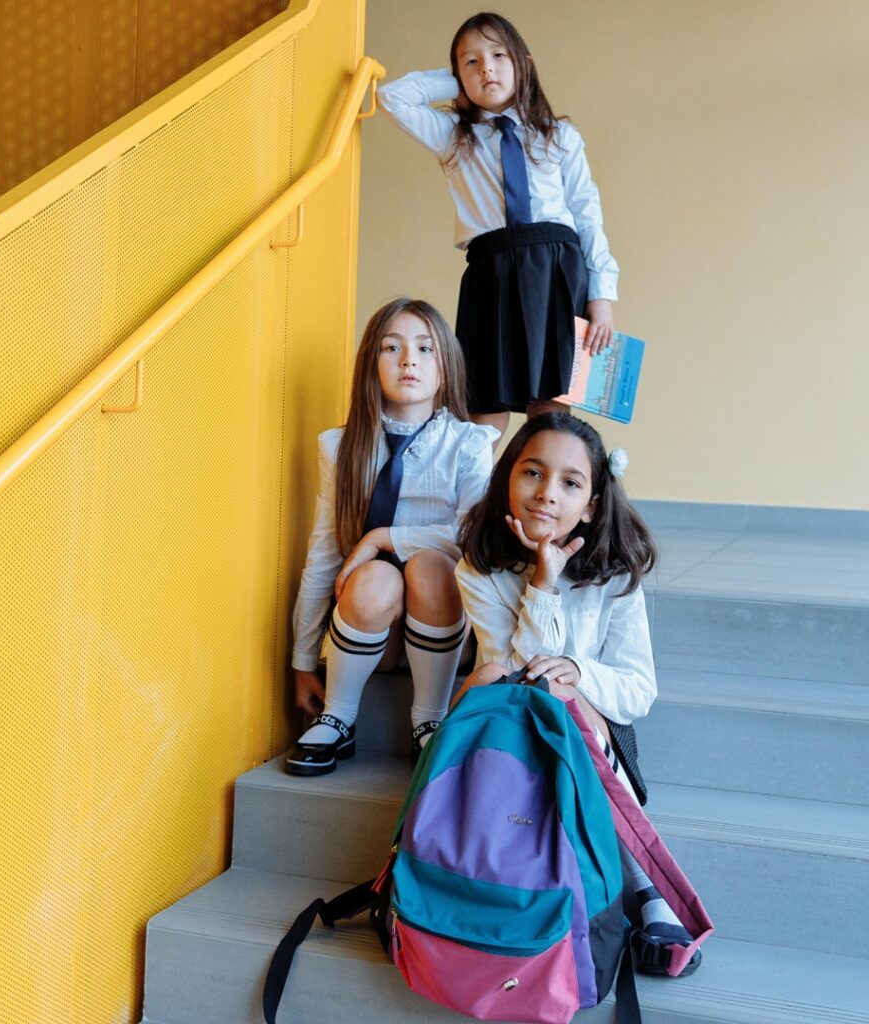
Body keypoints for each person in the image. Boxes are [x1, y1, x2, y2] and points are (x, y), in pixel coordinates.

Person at [454, 410, 701, 974]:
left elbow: (639, 690)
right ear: (506, 480)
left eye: (570, 483)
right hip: (508, 732)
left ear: (591, 505)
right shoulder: (481, 568)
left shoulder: (615, 573)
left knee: (559, 687)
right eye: (532, 474)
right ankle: (641, 892)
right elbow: (512, 669)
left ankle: (642, 886)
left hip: (593, 733)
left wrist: (577, 671)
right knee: (514, 678)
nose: (546, 495)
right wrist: (541, 581)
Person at [378, 12, 620, 435]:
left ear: (523, 64)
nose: (485, 67)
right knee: (483, 409)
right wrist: (458, 82)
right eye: (469, 61)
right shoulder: (453, 136)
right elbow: (392, 97)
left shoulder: (559, 136)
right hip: (492, 273)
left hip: (557, 273)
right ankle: (475, 499)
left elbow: (587, 212)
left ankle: (542, 496)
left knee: (551, 408)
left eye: (497, 55)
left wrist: (601, 292)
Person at [287, 298, 498, 777]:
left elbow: (472, 539)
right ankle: (339, 715)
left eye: (425, 349)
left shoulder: (469, 443)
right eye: (392, 347)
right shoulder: (340, 447)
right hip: (371, 633)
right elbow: (322, 556)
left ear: (446, 367)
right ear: (370, 363)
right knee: (374, 578)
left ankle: (429, 722)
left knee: (427, 564)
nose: (409, 360)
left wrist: (384, 536)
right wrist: (302, 660)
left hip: (444, 624)